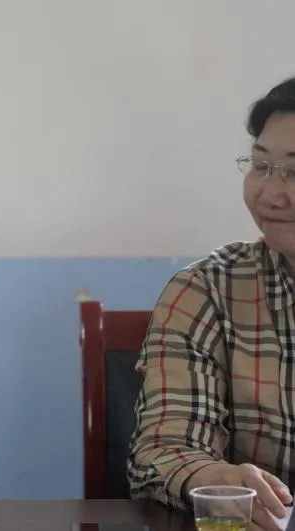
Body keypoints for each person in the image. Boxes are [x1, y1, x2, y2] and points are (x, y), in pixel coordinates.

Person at [128, 76, 295, 531]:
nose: (270, 194)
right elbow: (163, 449)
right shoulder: (208, 290)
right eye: (260, 166)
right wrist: (214, 479)